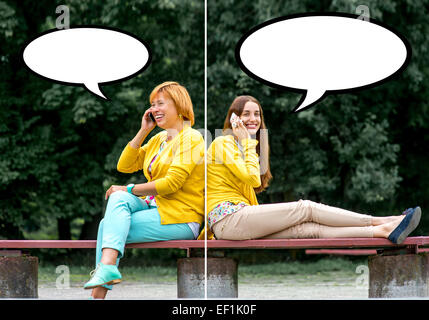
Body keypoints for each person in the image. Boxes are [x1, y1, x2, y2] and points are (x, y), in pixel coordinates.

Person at [206, 95, 422, 245]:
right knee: (305, 208)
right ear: (234, 119)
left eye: (257, 114)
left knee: (307, 230)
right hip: (227, 220)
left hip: (239, 220)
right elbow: (252, 179)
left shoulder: (247, 147)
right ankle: (382, 220)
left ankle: (383, 231)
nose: (252, 119)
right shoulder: (223, 143)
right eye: (246, 114)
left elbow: (251, 181)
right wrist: (247, 142)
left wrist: (248, 144)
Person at [84, 81, 205, 299]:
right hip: (155, 208)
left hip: (181, 217)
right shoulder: (159, 139)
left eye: (160, 103)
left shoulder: (192, 137)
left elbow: (171, 183)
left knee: (108, 226)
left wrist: (129, 188)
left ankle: (97, 294)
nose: (154, 109)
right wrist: (143, 131)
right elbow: (124, 165)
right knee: (118, 202)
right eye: (152, 104)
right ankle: (106, 273)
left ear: (179, 105)